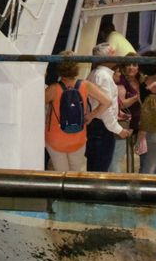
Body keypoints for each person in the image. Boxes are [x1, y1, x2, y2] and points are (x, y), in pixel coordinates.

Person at [44, 57, 100, 172]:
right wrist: (91, 115)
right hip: (78, 138)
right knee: (75, 176)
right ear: (76, 67)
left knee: (61, 176)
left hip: (55, 139)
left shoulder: (53, 89)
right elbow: (107, 101)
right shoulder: (85, 85)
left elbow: (33, 105)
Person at [85, 43, 128, 172]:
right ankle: (95, 192)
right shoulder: (103, 76)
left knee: (98, 165)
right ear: (107, 57)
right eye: (114, 53)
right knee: (100, 167)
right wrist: (118, 129)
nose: (117, 56)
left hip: (100, 127)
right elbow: (105, 108)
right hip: (102, 128)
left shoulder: (98, 74)